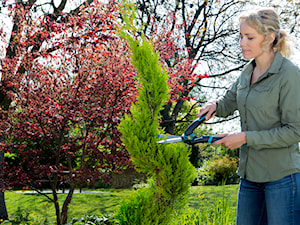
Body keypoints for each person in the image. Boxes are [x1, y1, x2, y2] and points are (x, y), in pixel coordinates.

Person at [198, 7, 300, 225]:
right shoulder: (248, 71)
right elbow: (230, 101)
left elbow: (295, 131)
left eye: (249, 37)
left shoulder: (289, 75)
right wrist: (213, 105)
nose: (242, 43)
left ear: (270, 38)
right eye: (241, 36)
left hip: (281, 178)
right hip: (250, 178)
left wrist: (245, 138)